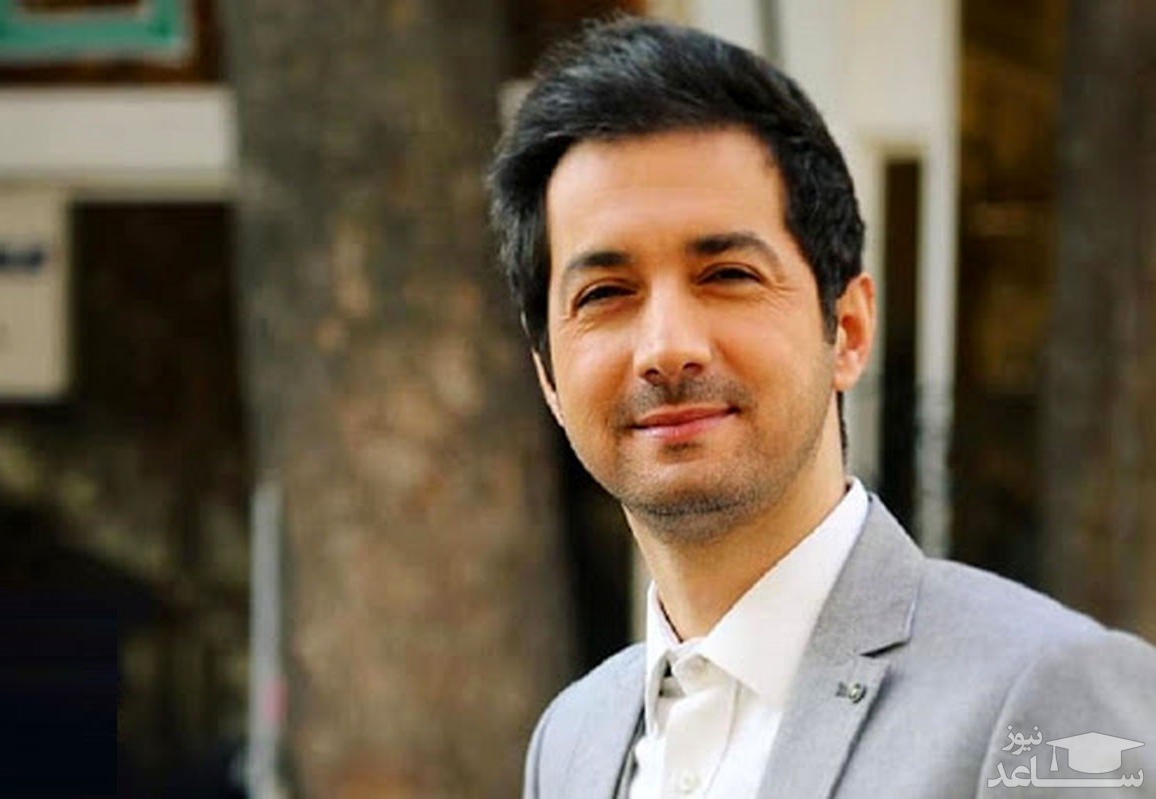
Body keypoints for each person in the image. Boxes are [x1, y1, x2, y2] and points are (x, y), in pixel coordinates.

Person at [487, 17, 1156, 799]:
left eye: (727, 275)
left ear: (850, 329)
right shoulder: (572, 738)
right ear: (548, 377)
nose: (667, 348)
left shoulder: (1051, 694)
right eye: (605, 292)